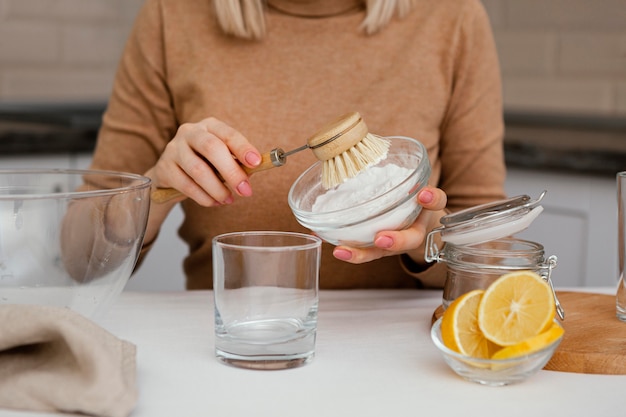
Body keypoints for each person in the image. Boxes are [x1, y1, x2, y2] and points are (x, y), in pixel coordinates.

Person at [86, 0, 506, 290]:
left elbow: (495, 257)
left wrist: (427, 237)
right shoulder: (172, 17)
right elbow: (78, 261)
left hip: (403, 358)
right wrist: (151, 192)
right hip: (235, 345)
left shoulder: (453, 18)